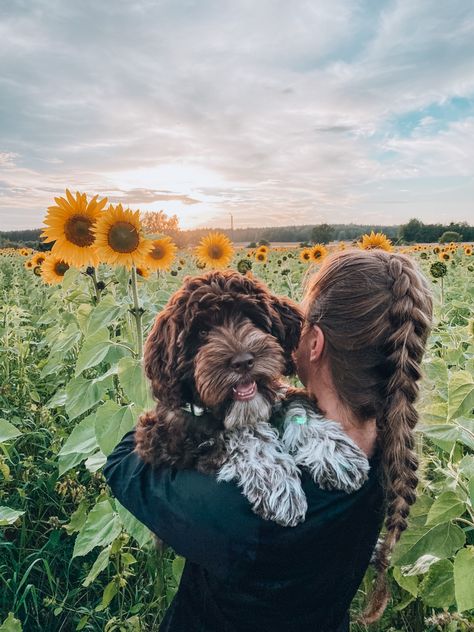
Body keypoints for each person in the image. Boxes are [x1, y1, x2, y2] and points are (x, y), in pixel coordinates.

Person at [104, 249, 433, 631]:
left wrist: (208, 418)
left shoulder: (240, 511)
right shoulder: (391, 448)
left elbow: (123, 461)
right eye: (207, 334)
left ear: (314, 342)